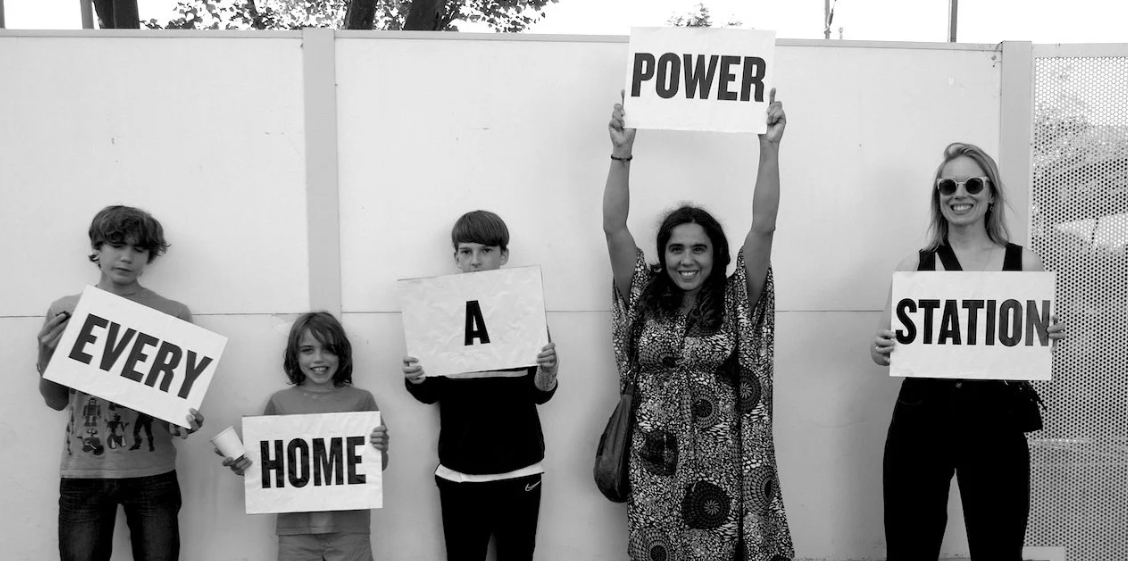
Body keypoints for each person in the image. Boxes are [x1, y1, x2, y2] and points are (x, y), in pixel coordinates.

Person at [603, 92, 794, 560]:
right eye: (676, 249)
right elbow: (613, 228)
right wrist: (621, 154)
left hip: (722, 455)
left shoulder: (736, 297)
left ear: (716, 254)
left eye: (699, 248)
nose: (687, 260)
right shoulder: (643, 293)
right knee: (658, 548)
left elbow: (764, 227)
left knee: (717, 549)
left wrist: (769, 148)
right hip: (654, 454)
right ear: (663, 254)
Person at [870, 142, 1066, 561]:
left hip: (996, 416)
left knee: (998, 544)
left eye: (972, 184)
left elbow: (1036, 337)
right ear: (938, 198)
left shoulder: (1024, 264)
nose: (960, 194)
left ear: (991, 193)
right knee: (909, 543)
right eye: (948, 186)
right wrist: (881, 346)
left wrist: (1048, 333)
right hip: (922, 412)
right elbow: (883, 346)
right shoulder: (915, 266)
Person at [35, 205, 205, 561]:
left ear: (149, 257)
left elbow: (177, 409)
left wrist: (185, 419)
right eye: (116, 245)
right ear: (97, 248)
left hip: (153, 470)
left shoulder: (173, 314)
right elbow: (55, 401)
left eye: (138, 249)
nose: (126, 257)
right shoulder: (66, 310)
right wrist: (46, 353)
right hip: (83, 469)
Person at [402, 210, 559, 561]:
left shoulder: (525, 309)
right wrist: (416, 377)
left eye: (486, 251)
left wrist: (549, 370)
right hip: (461, 472)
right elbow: (428, 394)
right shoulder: (435, 311)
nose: (476, 261)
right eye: (466, 251)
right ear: (455, 257)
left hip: (520, 469)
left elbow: (540, 393)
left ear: (503, 255)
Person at [220, 311, 389, 561]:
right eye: (307, 350)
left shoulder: (361, 400)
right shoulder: (280, 402)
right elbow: (266, 467)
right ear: (295, 355)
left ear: (341, 353)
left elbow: (379, 466)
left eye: (328, 349)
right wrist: (242, 465)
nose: (318, 358)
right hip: (295, 529)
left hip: (350, 527)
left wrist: (380, 449)